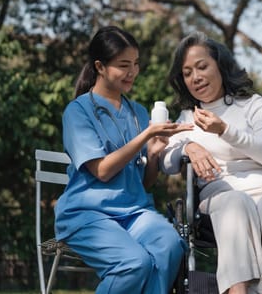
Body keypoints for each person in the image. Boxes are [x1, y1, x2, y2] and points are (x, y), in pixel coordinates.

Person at [160, 31, 262, 294]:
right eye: (187, 73)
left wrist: (225, 130)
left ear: (220, 65)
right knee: (235, 203)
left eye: (202, 66)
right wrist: (189, 145)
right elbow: (166, 162)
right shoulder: (188, 116)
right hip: (222, 193)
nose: (195, 77)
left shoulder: (252, 104)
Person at [54, 26, 193, 294]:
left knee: (169, 245)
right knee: (133, 263)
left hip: (133, 212)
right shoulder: (78, 112)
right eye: (123, 65)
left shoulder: (138, 112)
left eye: (136, 64)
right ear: (100, 67)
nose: (132, 72)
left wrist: (153, 154)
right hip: (87, 214)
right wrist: (145, 136)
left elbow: (145, 183)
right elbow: (103, 171)